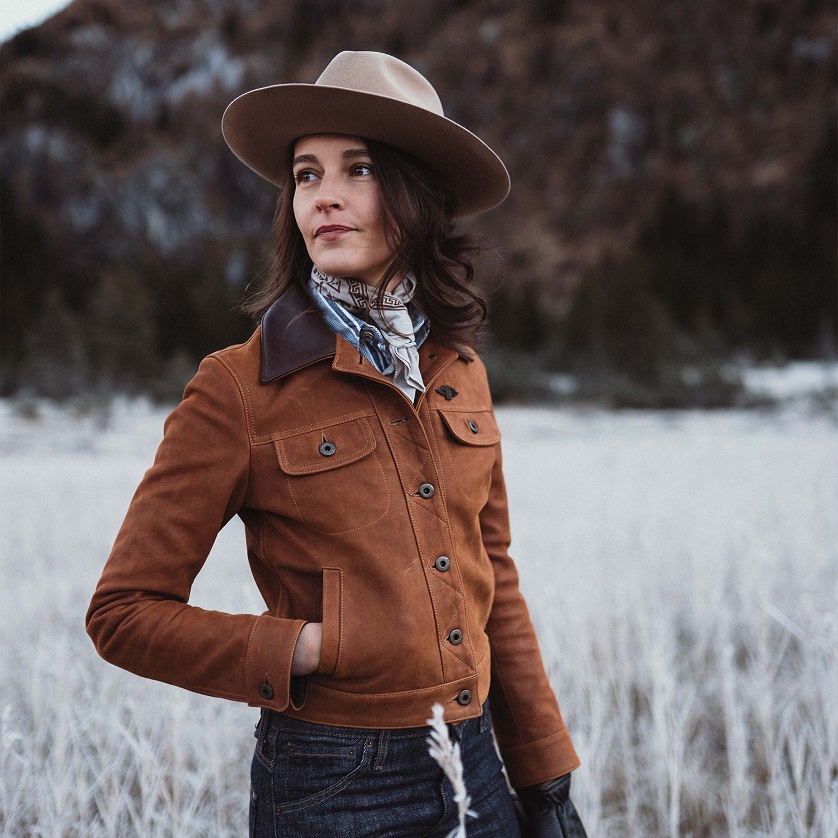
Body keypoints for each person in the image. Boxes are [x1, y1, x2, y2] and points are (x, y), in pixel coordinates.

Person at [86, 50, 587, 837]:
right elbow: (122, 613)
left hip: (480, 763)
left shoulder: (459, 372)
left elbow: (497, 586)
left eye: (357, 170)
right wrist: (302, 648)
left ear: (417, 194)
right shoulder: (238, 387)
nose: (325, 197)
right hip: (335, 783)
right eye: (307, 175)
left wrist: (546, 775)